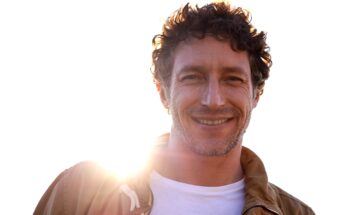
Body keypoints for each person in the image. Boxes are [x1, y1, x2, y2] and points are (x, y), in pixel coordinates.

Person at [34, 1, 315, 215]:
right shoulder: (83, 192)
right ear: (164, 93)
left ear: (256, 94)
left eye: (233, 79)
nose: (213, 100)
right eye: (192, 77)